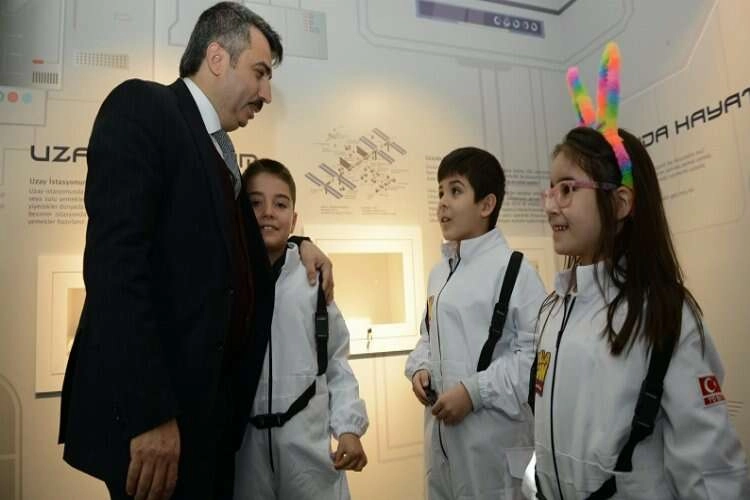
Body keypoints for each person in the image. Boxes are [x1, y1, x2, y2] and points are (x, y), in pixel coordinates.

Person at [58, 3, 334, 499]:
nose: (267, 94)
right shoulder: (145, 109)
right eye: (260, 72)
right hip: (159, 426)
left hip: (207, 429)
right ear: (217, 57)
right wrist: (151, 414)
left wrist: (299, 243)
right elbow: (116, 269)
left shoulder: (219, 152)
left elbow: (232, 252)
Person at [529, 42, 749, 499]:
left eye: (567, 189)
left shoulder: (664, 315)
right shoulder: (552, 310)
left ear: (620, 202)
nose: (550, 205)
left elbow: (710, 472)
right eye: (550, 189)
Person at [405, 147, 547, 499]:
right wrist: (420, 368)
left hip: (494, 447)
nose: (442, 202)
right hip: (442, 444)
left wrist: (474, 392)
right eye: (440, 191)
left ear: (486, 205)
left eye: (455, 190)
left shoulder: (515, 271)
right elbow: (428, 337)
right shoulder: (439, 273)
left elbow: (535, 358)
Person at [233, 159, 368, 499]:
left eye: (280, 204)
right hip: (243, 457)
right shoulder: (228, 283)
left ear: (293, 220)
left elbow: (336, 364)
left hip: (309, 458)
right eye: (255, 203)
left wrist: (348, 428)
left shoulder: (313, 282)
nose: (268, 212)